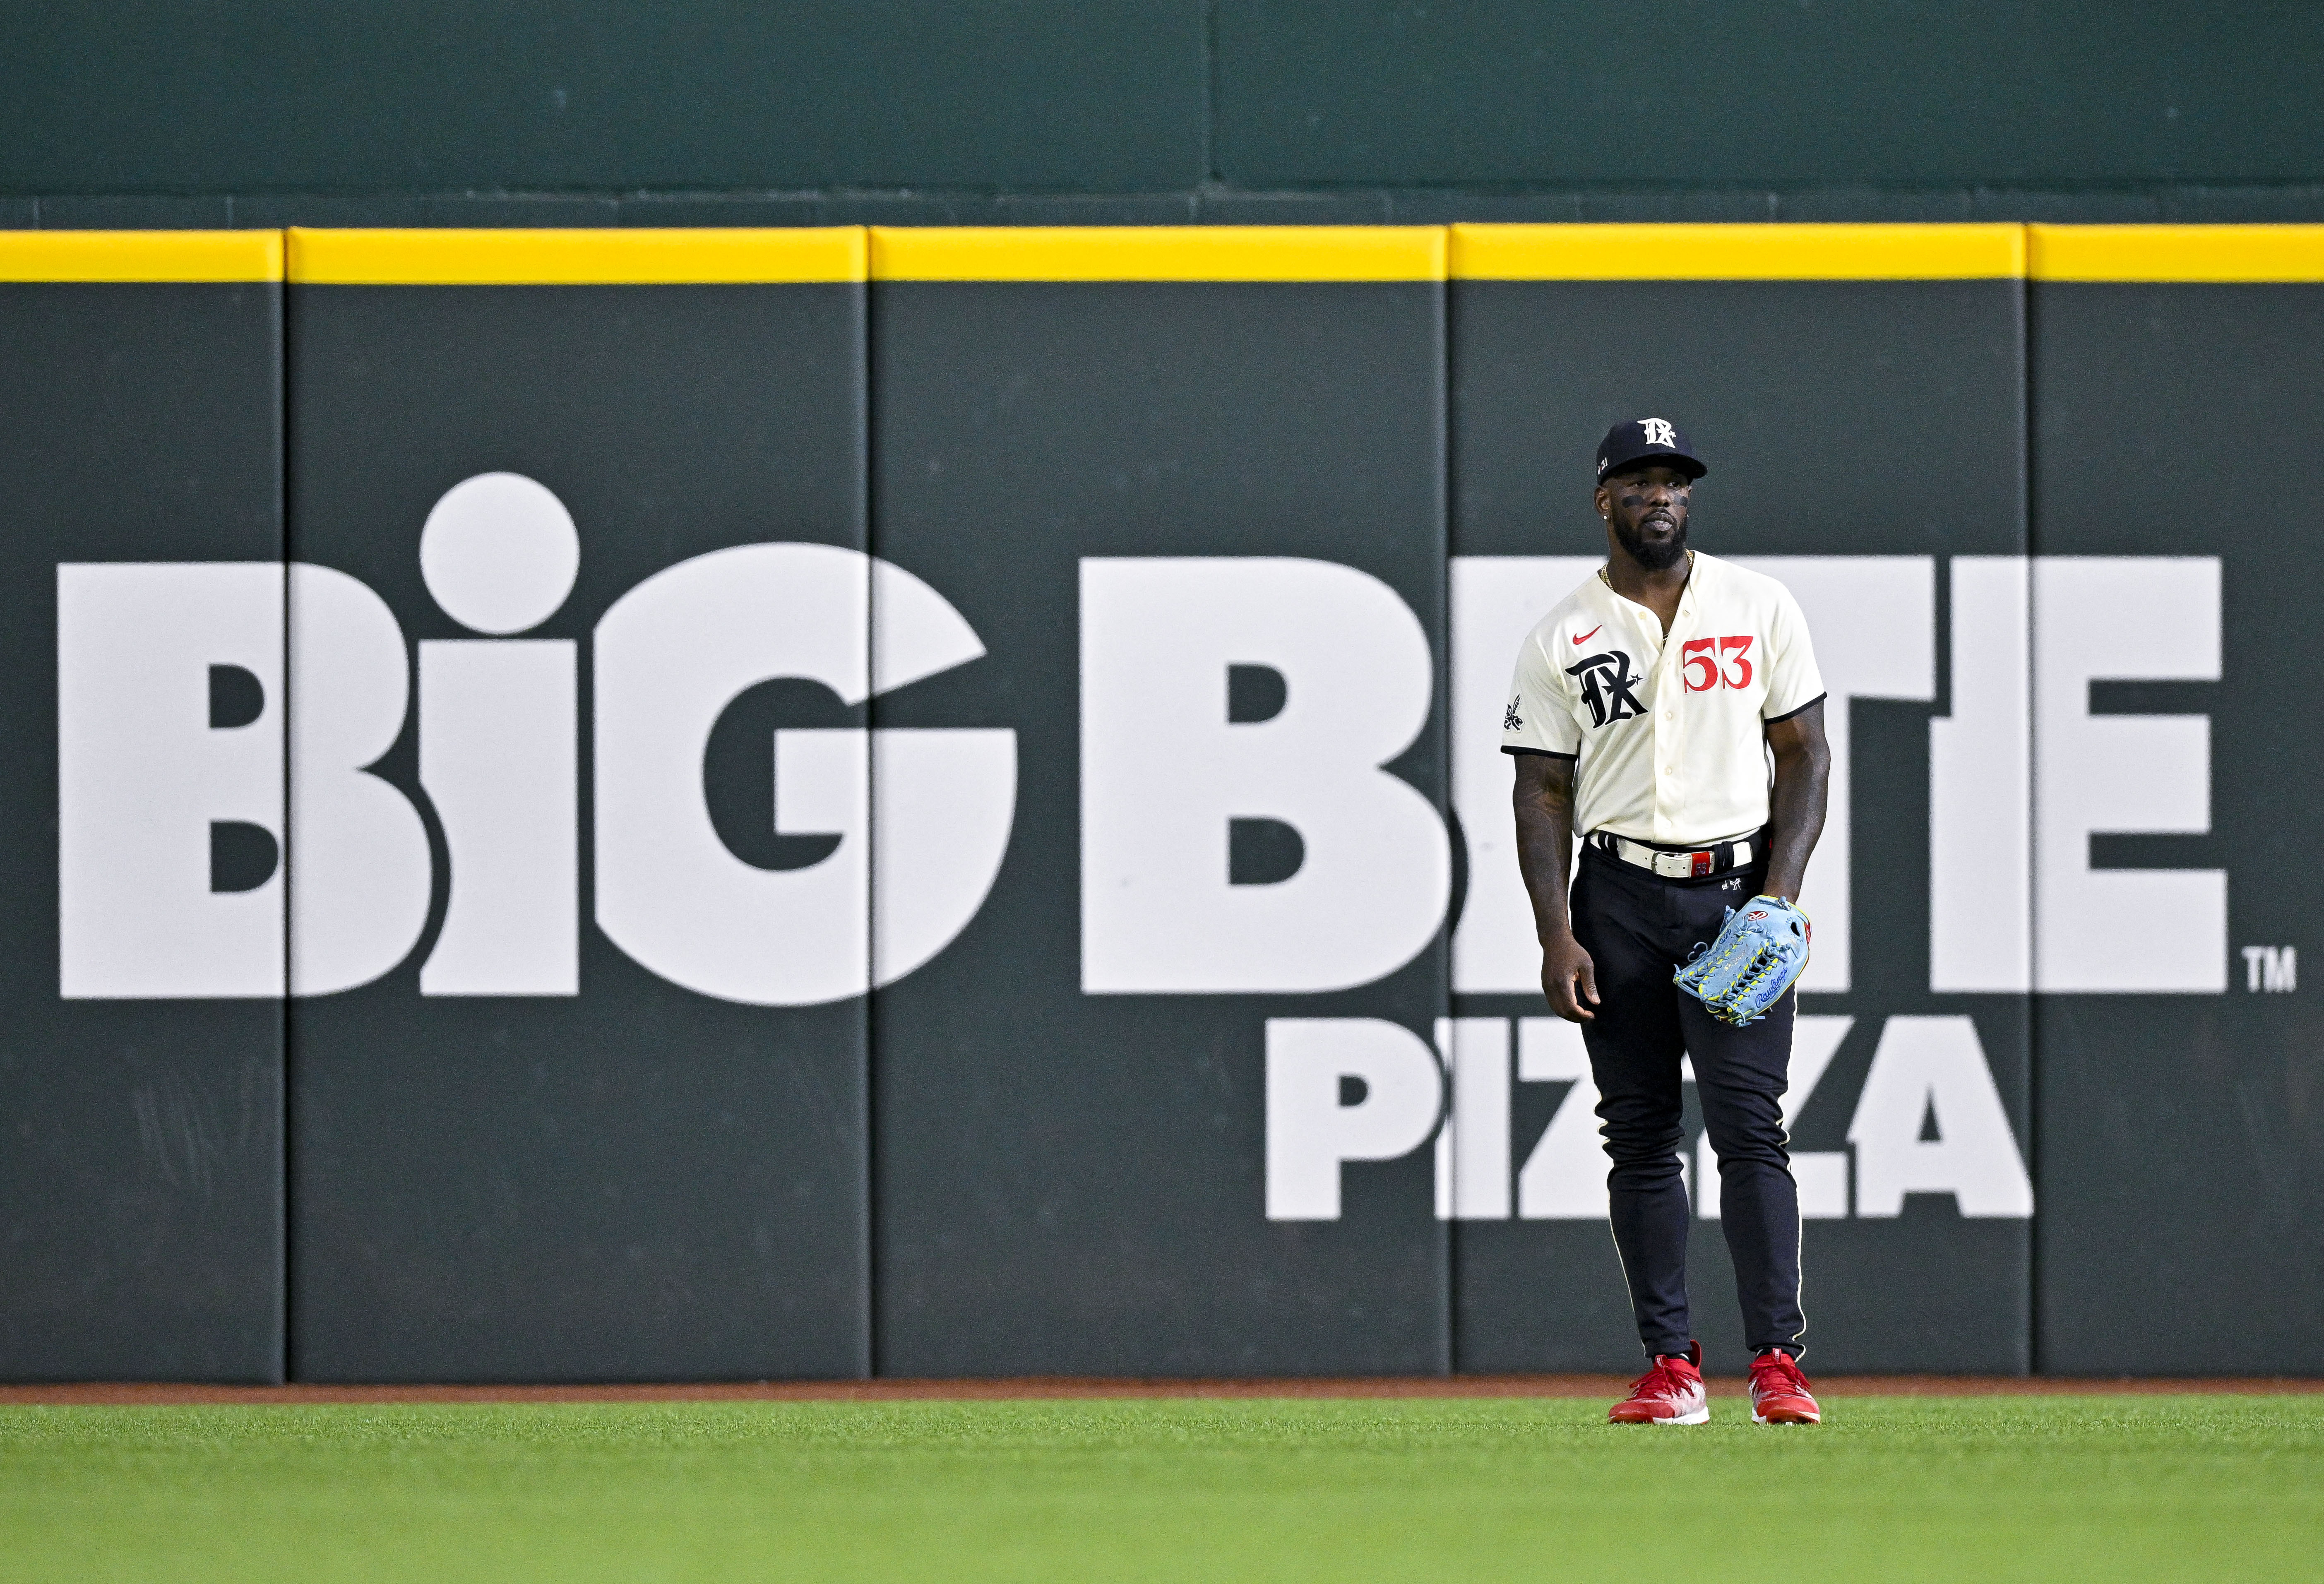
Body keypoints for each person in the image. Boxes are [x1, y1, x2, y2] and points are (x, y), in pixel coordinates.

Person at [1501, 418, 1833, 1425]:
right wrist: (1556, 931)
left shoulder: (1760, 604)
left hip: (1735, 891)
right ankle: (1671, 1366)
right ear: (1604, 499)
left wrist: (1779, 895)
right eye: (1641, 481)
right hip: (1619, 897)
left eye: (1676, 482)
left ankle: (1778, 1362)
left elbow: (1806, 755)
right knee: (1640, 1136)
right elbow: (1542, 792)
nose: (1662, 497)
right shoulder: (1563, 632)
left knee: (1750, 1132)